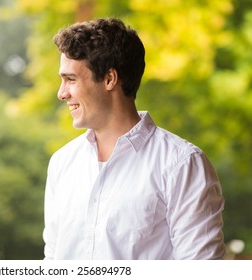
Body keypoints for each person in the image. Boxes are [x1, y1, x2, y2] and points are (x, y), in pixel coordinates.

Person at [43, 18, 226, 260]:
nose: (61, 93)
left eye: (71, 79)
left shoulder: (182, 165)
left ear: (109, 79)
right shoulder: (62, 163)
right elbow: (53, 261)